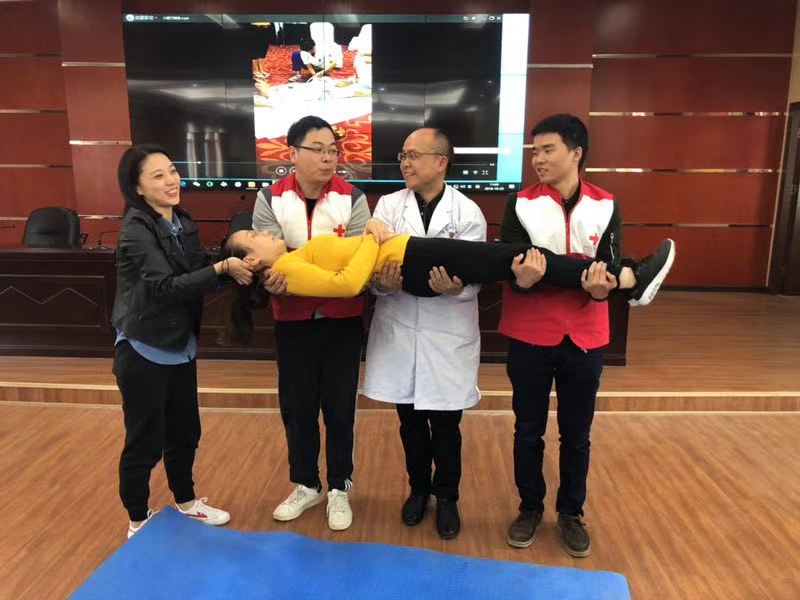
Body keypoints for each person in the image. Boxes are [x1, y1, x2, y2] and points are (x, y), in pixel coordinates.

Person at [500, 114, 638, 557]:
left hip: (585, 334)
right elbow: (513, 264)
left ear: (576, 153)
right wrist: (528, 278)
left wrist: (603, 287)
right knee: (528, 430)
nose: (537, 159)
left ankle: (571, 512)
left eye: (548, 150)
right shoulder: (520, 204)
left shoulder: (606, 204)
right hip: (530, 333)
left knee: (577, 434)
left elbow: (606, 271)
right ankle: (529, 508)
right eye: (534, 151)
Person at [112, 144, 253, 539]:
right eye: (158, 176)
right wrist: (222, 268)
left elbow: (197, 275)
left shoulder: (182, 219)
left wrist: (236, 269)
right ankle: (137, 519)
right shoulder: (135, 229)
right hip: (144, 348)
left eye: (172, 171)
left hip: (180, 345)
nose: (171, 180)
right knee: (144, 441)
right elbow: (165, 288)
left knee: (185, 432)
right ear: (137, 188)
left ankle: (187, 502)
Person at [362, 128, 486, 540]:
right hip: (400, 328)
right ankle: (418, 490)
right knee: (410, 422)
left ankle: (447, 496)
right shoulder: (388, 206)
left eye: (414, 155)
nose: (406, 163)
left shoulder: (467, 212)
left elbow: (475, 275)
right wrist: (383, 284)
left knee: (447, 424)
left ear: (441, 162)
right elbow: (374, 266)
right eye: (403, 155)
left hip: (447, 333)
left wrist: (456, 288)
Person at [251, 115, 371, 531]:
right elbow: (270, 262)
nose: (328, 157)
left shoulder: (353, 198)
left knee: (340, 407)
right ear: (293, 153)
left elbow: (358, 265)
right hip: (291, 321)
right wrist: (322, 274)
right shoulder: (270, 197)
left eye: (333, 150)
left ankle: (339, 487)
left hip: (343, 321)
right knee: (297, 407)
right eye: (317, 149)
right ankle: (306, 484)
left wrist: (297, 269)